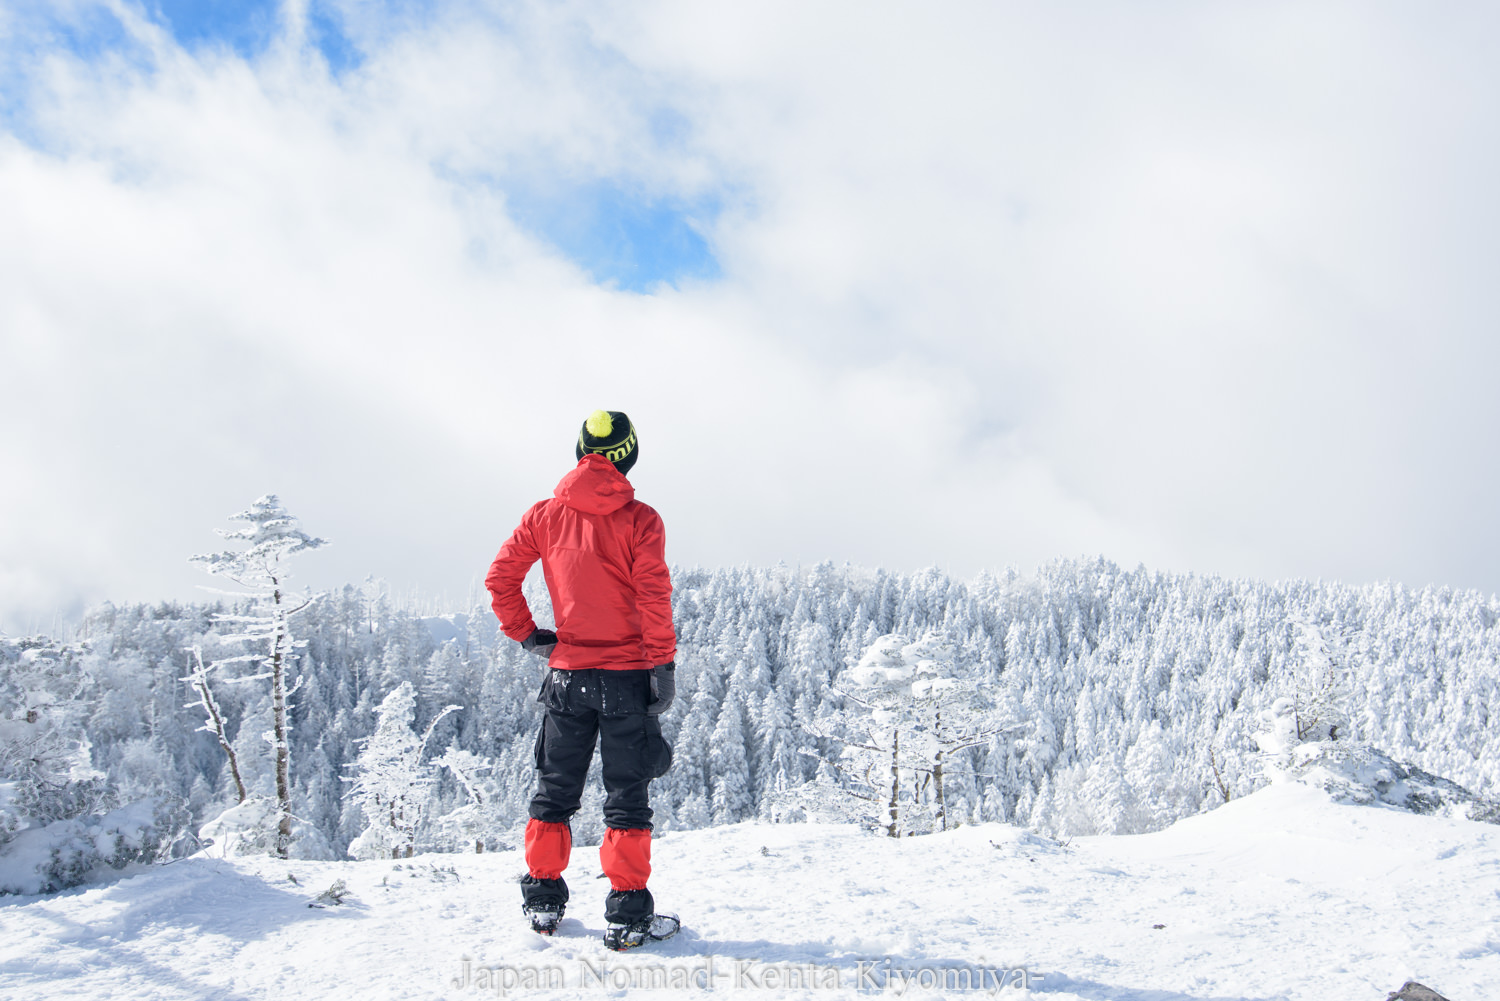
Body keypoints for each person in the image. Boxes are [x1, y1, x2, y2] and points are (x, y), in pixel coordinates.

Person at [484, 409, 680, 951]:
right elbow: (652, 597)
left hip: (567, 679)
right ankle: (627, 915)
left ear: (578, 452)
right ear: (629, 455)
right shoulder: (642, 520)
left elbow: (500, 580)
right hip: (626, 680)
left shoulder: (544, 516)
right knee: (627, 797)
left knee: (555, 789)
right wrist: (662, 664)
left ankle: (544, 901)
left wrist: (527, 635)